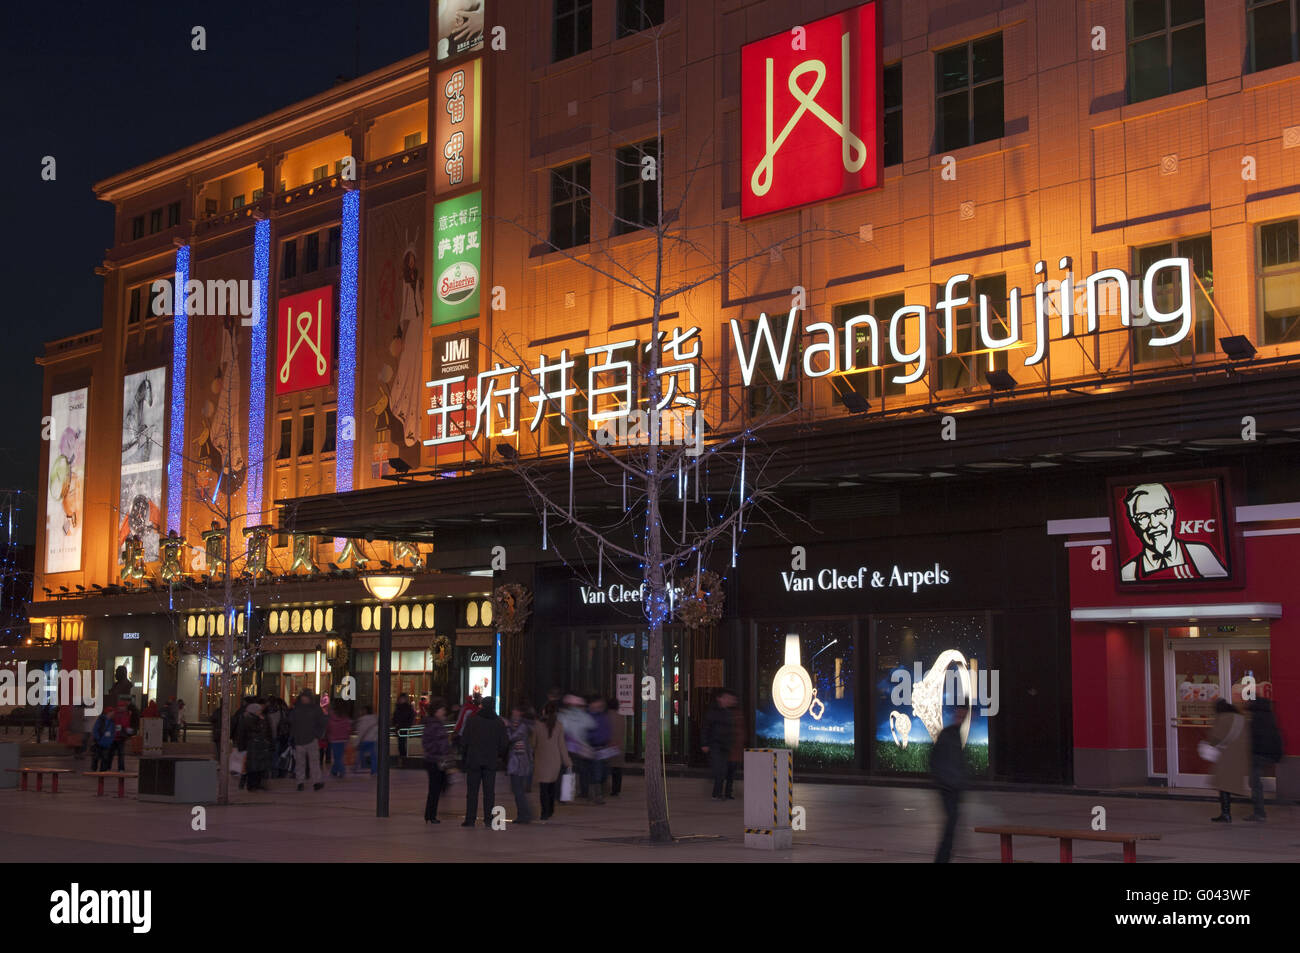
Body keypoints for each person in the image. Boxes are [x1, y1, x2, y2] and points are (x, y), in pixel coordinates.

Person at [1119, 482, 1228, 581]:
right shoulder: (1128, 571)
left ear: (1171, 514)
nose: (1154, 523)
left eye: (1160, 512)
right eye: (1143, 516)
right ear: (1134, 523)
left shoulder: (1199, 554)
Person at [461, 696, 508, 827]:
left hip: (474, 761)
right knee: (489, 793)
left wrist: (464, 755)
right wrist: (498, 754)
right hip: (490, 762)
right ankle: (488, 819)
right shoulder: (498, 722)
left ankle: (470, 819)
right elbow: (504, 743)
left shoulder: (472, 720)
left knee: (472, 792)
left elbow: (464, 740)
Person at [1208, 698, 1250, 822]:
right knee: (1230, 784)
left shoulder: (1222, 718)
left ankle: (1226, 813)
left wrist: (1210, 744)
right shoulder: (1241, 718)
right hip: (1239, 756)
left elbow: (1215, 737)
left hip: (1226, 757)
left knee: (1223, 785)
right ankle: (1226, 813)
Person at [931, 719, 966, 862]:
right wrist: (945, 780)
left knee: (951, 824)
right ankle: (942, 858)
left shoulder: (956, 733)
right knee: (951, 824)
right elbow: (935, 759)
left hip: (953, 786)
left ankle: (944, 857)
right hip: (948, 787)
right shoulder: (949, 734)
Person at [1245, 698, 1283, 821]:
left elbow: (1255, 738)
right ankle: (1259, 811)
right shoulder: (1269, 716)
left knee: (1255, 783)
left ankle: (1259, 813)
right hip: (1267, 754)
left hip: (1259, 754)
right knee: (1255, 782)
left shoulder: (1257, 718)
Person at [532, 702, 571, 821]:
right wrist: (567, 761)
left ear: (544, 711)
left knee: (543, 788)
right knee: (552, 786)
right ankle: (551, 809)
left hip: (541, 760)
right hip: (555, 761)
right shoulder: (559, 726)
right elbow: (562, 745)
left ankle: (544, 812)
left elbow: (533, 743)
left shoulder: (537, 725)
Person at [701, 689, 737, 800]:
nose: (728, 700)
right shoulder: (713, 712)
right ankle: (716, 794)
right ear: (719, 699)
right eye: (725, 698)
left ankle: (719, 793)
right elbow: (706, 728)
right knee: (719, 770)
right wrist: (704, 744)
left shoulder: (728, 712)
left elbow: (730, 729)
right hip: (715, 745)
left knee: (723, 770)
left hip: (725, 746)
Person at [289, 689, 327, 791]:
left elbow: (322, 723)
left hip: (310, 739)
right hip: (301, 739)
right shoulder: (298, 709)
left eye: (306, 697)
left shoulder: (308, 709)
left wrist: (317, 735)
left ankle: (315, 781)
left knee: (312, 762)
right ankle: (301, 782)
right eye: (303, 697)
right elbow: (291, 723)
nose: (304, 699)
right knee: (301, 762)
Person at [421, 698, 452, 823]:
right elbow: (428, 743)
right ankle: (430, 815)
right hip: (435, 760)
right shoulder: (434, 725)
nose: (444, 711)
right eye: (442, 709)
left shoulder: (437, 724)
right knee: (435, 789)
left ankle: (430, 815)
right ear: (436, 711)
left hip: (438, 760)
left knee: (436, 788)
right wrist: (440, 750)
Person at [558, 694, 594, 799]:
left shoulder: (563, 715)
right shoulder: (584, 715)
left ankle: (567, 793)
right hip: (581, 748)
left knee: (568, 771)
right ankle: (584, 792)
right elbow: (592, 725)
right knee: (583, 771)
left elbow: (561, 729)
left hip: (568, 748)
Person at [506, 705, 534, 824]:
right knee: (517, 791)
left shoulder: (521, 727)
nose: (514, 716)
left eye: (516, 713)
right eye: (513, 714)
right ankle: (523, 814)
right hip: (518, 763)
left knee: (518, 791)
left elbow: (512, 738)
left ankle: (525, 814)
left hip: (519, 764)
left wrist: (507, 727)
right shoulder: (517, 726)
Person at [237, 701, 273, 791]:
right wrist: (241, 746)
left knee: (259, 766)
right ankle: (251, 785)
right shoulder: (248, 719)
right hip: (252, 746)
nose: (260, 711)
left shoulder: (261, 718)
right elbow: (243, 733)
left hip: (260, 746)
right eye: (258, 710)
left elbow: (267, 731)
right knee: (251, 767)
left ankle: (257, 784)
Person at [585, 695, 611, 803]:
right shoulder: (588, 716)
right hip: (592, 746)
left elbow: (607, 730)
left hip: (602, 747)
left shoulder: (603, 716)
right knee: (596, 771)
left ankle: (595, 794)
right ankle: (596, 795)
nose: (601, 705)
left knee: (600, 771)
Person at [606, 696, 626, 797]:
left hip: (608, 747)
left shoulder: (606, 717)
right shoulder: (621, 717)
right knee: (617, 771)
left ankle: (604, 788)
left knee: (606, 768)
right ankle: (616, 790)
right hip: (619, 747)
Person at [327, 702, 352, 779]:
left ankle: (341, 771)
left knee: (337, 757)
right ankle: (334, 771)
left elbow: (329, 728)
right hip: (343, 739)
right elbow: (349, 729)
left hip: (334, 739)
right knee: (339, 756)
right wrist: (348, 737)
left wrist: (329, 736)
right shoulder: (346, 719)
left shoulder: (331, 718)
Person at [355, 706, 379, 776]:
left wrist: (357, 742)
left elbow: (360, 732)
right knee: (373, 756)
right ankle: (374, 770)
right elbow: (377, 731)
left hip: (364, 740)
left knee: (360, 754)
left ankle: (357, 767)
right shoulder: (375, 719)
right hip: (373, 740)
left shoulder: (361, 720)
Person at [394, 693, 415, 758]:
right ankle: (402, 758)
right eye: (400, 699)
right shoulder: (398, 707)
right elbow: (395, 717)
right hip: (400, 728)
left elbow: (410, 717)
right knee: (401, 744)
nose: (400, 700)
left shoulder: (407, 708)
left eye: (402, 699)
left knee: (402, 744)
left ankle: (403, 758)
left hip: (404, 727)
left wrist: (408, 724)